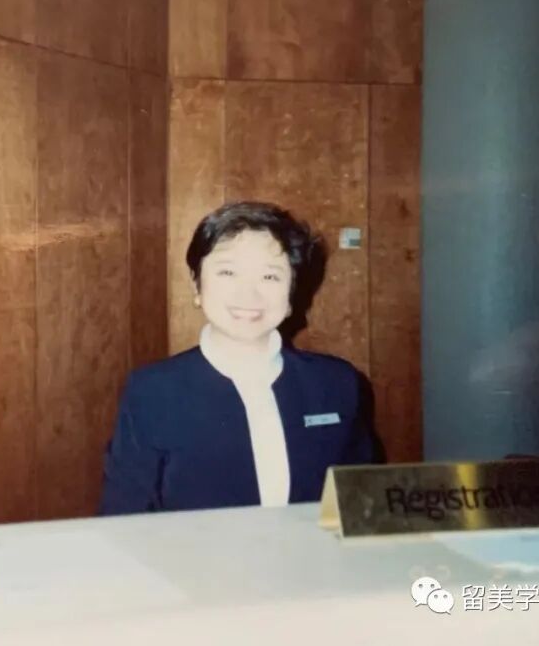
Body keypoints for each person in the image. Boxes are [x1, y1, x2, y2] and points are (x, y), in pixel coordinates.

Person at [99, 201, 377, 515]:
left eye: (269, 277)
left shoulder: (337, 383)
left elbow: (361, 509)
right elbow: (122, 519)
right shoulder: (152, 391)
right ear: (197, 285)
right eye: (228, 272)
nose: (249, 295)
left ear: (291, 295)